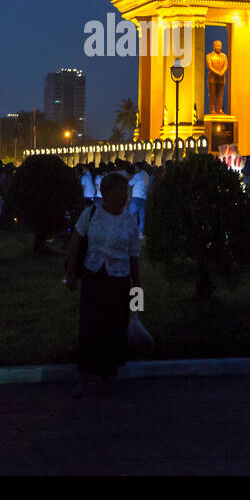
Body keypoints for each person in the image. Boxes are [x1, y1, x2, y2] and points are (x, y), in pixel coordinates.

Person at [65, 172, 140, 397]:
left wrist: (137, 290)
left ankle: (108, 374)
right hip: (94, 275)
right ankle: (86, 375)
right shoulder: (92, 214)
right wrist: (70, 274)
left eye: (126, 192)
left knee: (114, 327)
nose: (124, 196)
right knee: (90, 326)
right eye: (120, 191)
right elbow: (76, 243)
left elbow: (134, 256)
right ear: (106, 192)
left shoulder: (129, 220)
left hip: (119, 279)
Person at [128, 164, 151, 238]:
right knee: (142, 216)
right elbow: (147, 187)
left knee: (130, 215)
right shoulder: (146, 175)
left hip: (136, 197)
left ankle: (129, 232)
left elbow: (130, 183)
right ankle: (140, 233)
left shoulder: (137, 175)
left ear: (138, 168)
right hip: (144, 197)